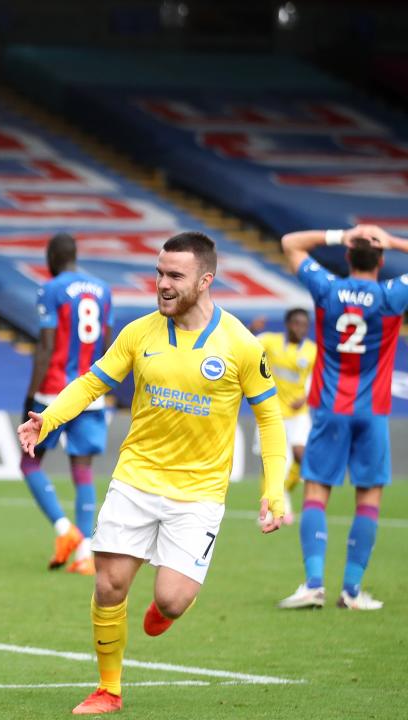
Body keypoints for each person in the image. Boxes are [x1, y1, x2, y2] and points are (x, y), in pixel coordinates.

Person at [18, 231, 285, 715]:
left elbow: (269, 419)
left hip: (199, 494)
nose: (161, 284)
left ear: (206, 280)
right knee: (108, 585)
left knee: (173, 600)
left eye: (174, 276)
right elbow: (92, 382)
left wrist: (274, 492)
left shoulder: (241, 345)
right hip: (136, 480)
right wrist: (48, 418)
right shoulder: (139, 332)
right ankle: (109, 689)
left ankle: (163, 609)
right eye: (159, 273)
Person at [278, 224, 408, 612]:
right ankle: (351, 591)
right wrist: (393, 240)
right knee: (368, 497)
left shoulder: (328, 289)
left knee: (316, 491)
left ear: (348, 256)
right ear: (381, 260)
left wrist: (341, 234)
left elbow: (289, 242)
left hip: (330, 408)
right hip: (372, 412)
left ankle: (313, 585)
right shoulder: (391, 295)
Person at [21, 232, 113, 575]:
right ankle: (87, 554)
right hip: (91, 391)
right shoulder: (103, 290)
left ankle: (65, 530)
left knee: (29, 463)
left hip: (54, 391)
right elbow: (106, 342)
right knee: (83, 469)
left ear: (51, 257)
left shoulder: (52, 288)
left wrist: (31, 395)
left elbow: (45, 346)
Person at [249, 308, 316, 524]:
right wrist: (251, 330)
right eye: (296, 323)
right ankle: (270, 508)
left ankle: (281, 493)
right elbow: (245, 347)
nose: (300, 328)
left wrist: (306, 398)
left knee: (301, 456)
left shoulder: (312, 351)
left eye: (304, 325)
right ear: (287, 324)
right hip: (271, 413)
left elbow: (319, 379)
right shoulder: (270, 341)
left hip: (298, 413)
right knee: (268, 462)